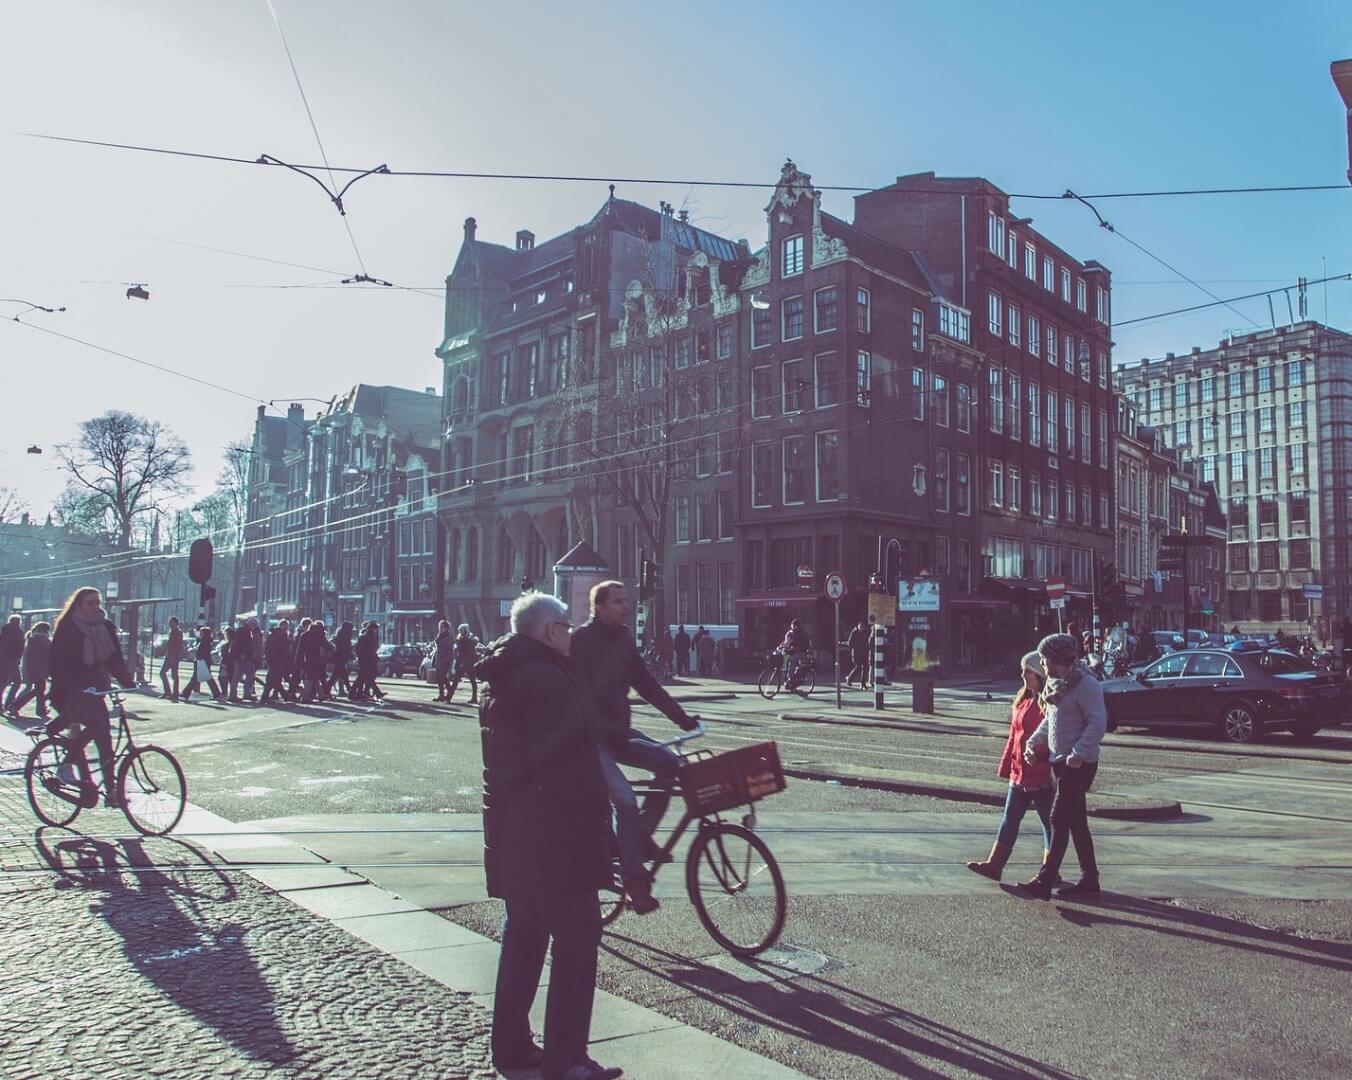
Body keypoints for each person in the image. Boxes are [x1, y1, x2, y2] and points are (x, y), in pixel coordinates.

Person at [478, 591, 620, 1080]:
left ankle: (512, 1047)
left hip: (515, 837)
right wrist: (603, 825)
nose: (571, 633)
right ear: (549, 631)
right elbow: (568, 765)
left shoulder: (502, 676)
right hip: (557, 840)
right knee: (577, 943)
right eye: (566, 625)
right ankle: (567, 1059)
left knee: (523, 940)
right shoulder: (547, 680)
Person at [570, 581, 697, 915]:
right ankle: (634, 881)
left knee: (670, 763)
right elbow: (580, 697)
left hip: (620, 733)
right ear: (598, 606)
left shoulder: (624, 639)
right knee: (625, 802)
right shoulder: (580, 642)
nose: (625, 607)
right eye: (617, 602)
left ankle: (639, 836)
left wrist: (680, 717)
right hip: (592, 740)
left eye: (626, 601)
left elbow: (646, 683)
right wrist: (605, 732)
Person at [1016, 633, 1108, 899]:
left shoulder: (1086, 684)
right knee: (1077, 822)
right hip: (1060, 761)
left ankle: (1044, 882)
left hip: (1078, 765)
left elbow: (1097, 722)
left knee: (1058, 818)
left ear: (1057, 659)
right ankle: (1090, 879)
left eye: (1044, 658)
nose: (1042, 663)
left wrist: (1078, 753)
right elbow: (1052, 719)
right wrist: (1034, 742)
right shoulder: (1058, 684)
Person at [966, 652, 1053, 881]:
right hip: (1019, 773)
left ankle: (1050, 870)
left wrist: (1041, 758)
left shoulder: (1049, 704)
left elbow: (1054, 739)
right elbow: (1013, 737)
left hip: (1040, 774)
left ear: (1040, 674)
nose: (1022, 675)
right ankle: (995, 865)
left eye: (1027, 671)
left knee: (1048, 823)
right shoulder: (1023, 700)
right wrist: (1006, 766)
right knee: (1010, 818)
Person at [46, 588, 135, 807]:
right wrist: (77, 683)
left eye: (98, 602)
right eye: (90, 603)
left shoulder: (105, 626)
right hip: (68, 689)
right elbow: (56, 662)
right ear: (78, 605)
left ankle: (112, 791)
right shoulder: (68, 627)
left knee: (104, 738)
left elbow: (114, 658)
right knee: (96, 726)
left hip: (94, 689)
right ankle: (66, 765)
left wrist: (128, 682)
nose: (96, 607)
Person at [8, 621, 53, 720]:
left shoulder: (32, 639)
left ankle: (40, 709)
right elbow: (50, 654)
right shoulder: (43, 640)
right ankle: (16, 706)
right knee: (39, 690)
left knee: (39, 690)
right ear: (45, 630)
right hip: (41, 669)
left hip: (33, 668)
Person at [182, 626, 223, 702]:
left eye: (201, 632)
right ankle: (216, 694)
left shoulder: (205, 641)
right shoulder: (205, 641)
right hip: (203, 661)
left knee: (200, 678)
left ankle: (186, 693)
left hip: (202, 662)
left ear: (204, 633)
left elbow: (202, 652)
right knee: (204, 678)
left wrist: (198, 657)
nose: (199, 633)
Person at [447, 623, 481, 705]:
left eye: (461, 631)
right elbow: (458, 651)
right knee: (457, 680)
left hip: (468, 662)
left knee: (471, 680)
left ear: (465, 630)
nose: (460, 632)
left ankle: (474, 698)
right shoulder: (461, 638)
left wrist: (462, 662)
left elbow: (467, 652)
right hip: (462, 662)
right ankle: (449, 697)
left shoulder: (470, 640)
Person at [261, 620, 293, 704]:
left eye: (287, 626)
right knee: (274, 679)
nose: (286, 628)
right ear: (281, 625)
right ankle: (282, 696)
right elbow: (279, 648)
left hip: (276, 660)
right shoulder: (279, 635)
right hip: (277, 660)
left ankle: (268, 696)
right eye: (285, 626)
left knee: (274, 679)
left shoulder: (277, 635)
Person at [779, 618, 813, 691]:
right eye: (792, 626)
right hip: (794, 651)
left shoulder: (802, 633)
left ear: (797, 626)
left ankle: (792, 680)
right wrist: (781, 646)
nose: (793, 628)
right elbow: (787, 641)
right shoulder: (791, 633)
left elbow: (803, 644)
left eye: (794, 626)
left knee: (793, 659)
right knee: (785, 658)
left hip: (803, 652)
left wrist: (794, 646)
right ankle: (787, 678)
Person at [0, 614, 24, 710]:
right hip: (13, 659)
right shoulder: (19, 632)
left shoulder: (4, 630)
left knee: (3, 681)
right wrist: (18, 658)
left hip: (2, 659)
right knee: (17, 682)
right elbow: (20, 647)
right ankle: (9, 703)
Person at [353, 622, 383, 701]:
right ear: (373, 629)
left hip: (365, 660)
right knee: (366, 677)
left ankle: (358, 693)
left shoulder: (364, 636)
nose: (377, 630)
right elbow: (371, 650)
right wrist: (374, 658)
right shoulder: (370, 637)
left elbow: (358, 649)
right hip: (368, 660)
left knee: (365, 677)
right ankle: (355, 693)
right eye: (376, 629)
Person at [160, 616, 185, 701]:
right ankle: (169, 692)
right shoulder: (171, 631)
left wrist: (175, 655)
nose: (169, 623)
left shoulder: (178, 632)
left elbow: (179, 645)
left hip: (173, 656)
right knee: (164, 673)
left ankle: (174, 693)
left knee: (173, 675)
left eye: (171, 622)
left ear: (175, 623)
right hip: (169, 656)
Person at [328, 621, 355, 699]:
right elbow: (344, 649)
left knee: (336, 676)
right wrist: (350, 654)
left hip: (340, 659)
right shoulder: (344, 637)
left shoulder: (342, 636)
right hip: (340, 659)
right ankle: (350, 691)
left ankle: (326, 689)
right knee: (343, 675)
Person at [432, 620, 454, 701]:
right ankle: (441, 695)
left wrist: (446, 660)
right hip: (438, 659)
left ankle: (450, 691)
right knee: (438, 678)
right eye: (439, 627)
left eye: (442, 627)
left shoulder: (449, 637)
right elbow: (437, 649)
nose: (440, 628)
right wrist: (434, 659)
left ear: (446, 628)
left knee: (442, 676)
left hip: (445, 660)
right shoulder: (439, 636)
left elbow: (449, 650)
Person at [846, 621, 871, 688]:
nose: (861, 629)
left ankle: (863, 684)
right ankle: (849, 678)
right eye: (860, 627)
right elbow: (850, 643)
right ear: (858, 626)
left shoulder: (865, 632)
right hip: (856, 652)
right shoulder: (854, 632)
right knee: (858, 666)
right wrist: (855, 647)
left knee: (865, 667)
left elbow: (867, 641)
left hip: (864, 652)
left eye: (862, 628)